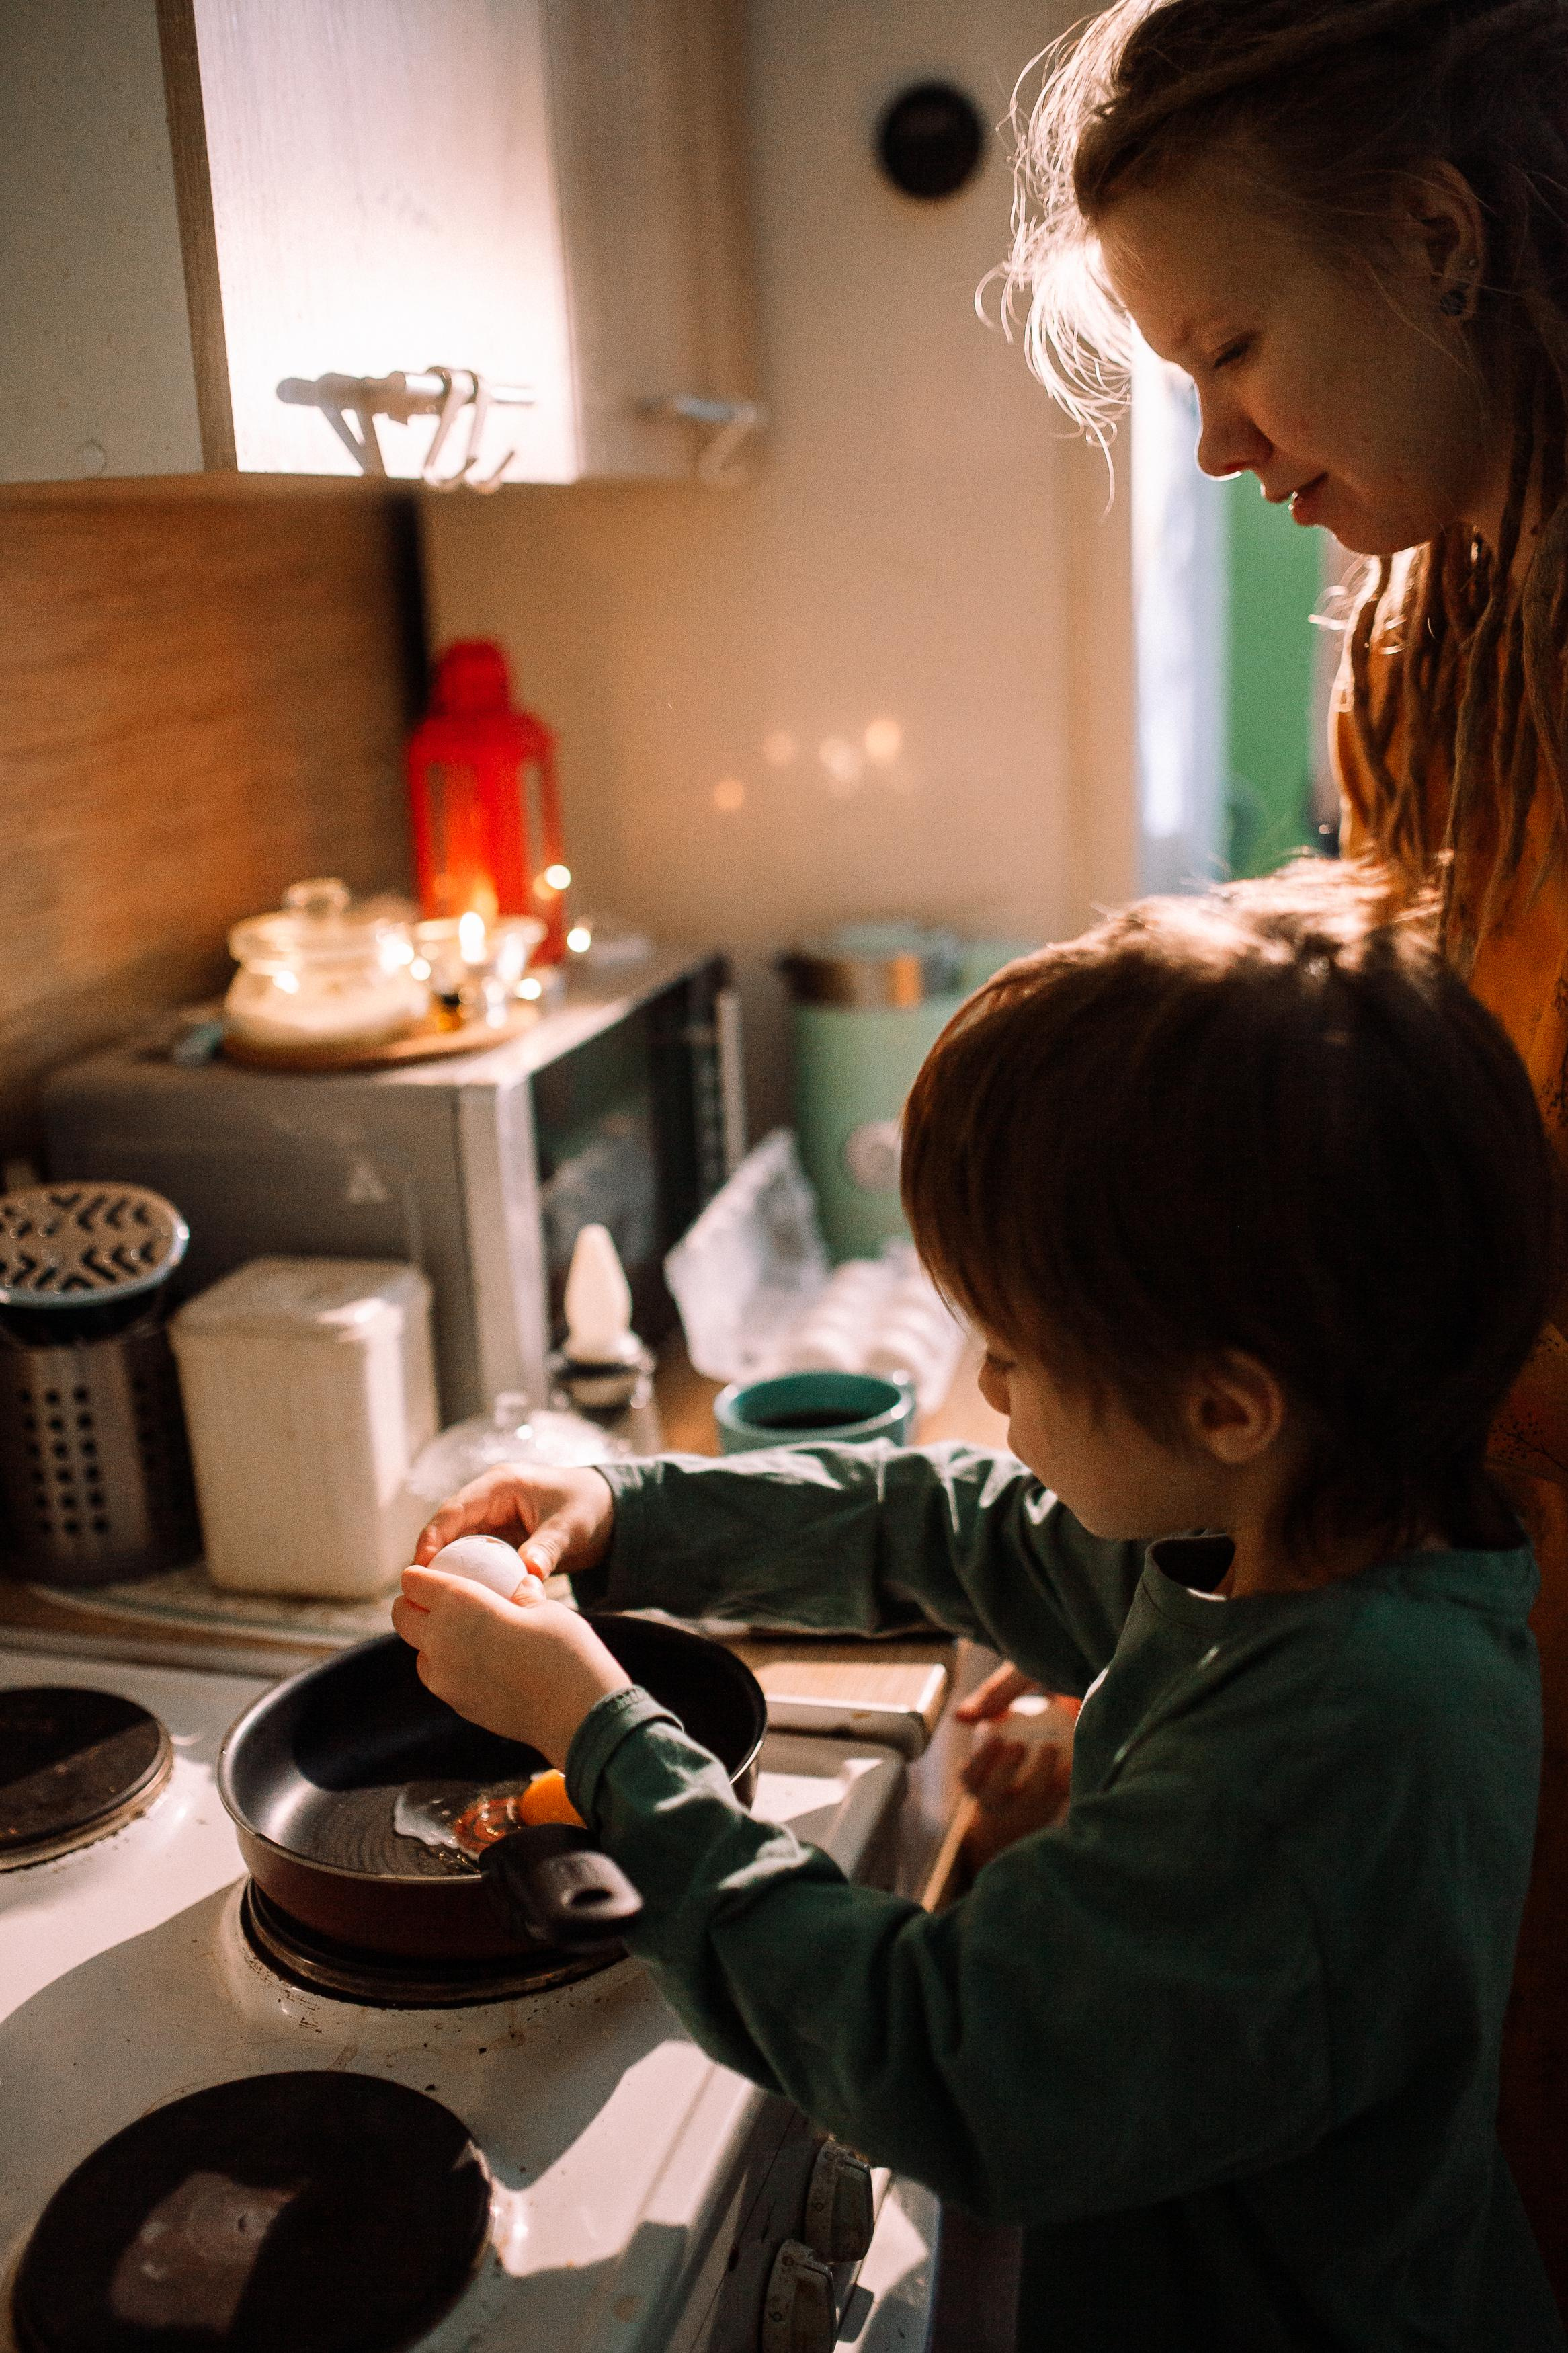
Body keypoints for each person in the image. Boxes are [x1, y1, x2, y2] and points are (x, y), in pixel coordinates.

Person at [396, 866, 1564, 2352]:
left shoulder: (1331, 1748)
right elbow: (953, 1519)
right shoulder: (1318, 1532)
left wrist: (603, 1732)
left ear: (1225, 1404)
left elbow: (942, 2060)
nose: (989, 1393)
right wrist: (633, 1514)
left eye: (1009, 1354)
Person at [961, 0, 1568, 2295]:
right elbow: (1369, 1186)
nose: (1214, 449)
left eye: (1230, 347)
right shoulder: (1420, 649)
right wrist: (1172, 1688)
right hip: (1437, 1578)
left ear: (1434, 238)